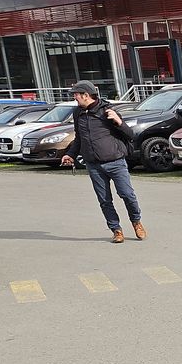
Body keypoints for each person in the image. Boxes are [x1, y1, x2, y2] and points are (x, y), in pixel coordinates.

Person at [61, 80, 147, 244]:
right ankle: (116, 230)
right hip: (93, 165)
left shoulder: (107, 111)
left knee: (127, 195)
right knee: (104, 200)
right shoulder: (77, 113)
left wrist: (119, 121)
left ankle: (136, 221)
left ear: (86, 95)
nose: (75, 98)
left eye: (76, 95)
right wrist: (70, 154)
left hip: (116, 162)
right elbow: (79, 138)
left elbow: (130, 135)